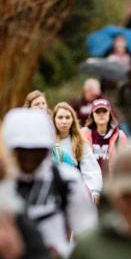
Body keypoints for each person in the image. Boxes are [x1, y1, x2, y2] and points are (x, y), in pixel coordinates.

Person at [2, 108, 98, 258]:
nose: (29, 157)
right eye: (21, 150)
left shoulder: (66, 179)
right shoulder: (4, 182)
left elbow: (86, 230)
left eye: (37, 150)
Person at [52, 102, 103, 202]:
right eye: (60, 117)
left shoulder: (81, 143)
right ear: (54, 119)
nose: (64, 121)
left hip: (75, 192)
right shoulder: (47, 141)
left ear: (72, 120)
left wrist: (94, 190)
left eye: (67, 117)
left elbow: (91, 169)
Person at [81, 99, 127, 178]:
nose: (101, 114)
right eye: (98, 112)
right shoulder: (83, 134)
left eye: (104, 111)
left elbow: (124, 163)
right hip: (90, 182)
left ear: (109, 114)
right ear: (92, 115)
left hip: (111, 183)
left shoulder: (120, 135)